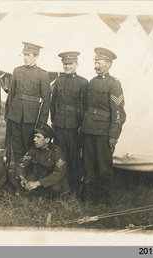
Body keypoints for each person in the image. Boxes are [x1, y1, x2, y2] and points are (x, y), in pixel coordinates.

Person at [81, 47, 126, 201]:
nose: (96, 65)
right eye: (95, 62)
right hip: (89, 130)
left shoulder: (114, 84)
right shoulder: (92, 82)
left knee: (104, 166)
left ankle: (104, 198)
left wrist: (113, 135)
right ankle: (90, 195)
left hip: (104, 132)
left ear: (108, 64)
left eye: (99, 62)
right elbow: (86, 107)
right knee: (89, 163)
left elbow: (118, 112)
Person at [5, 42, 51, 192]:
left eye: (28, 55)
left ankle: (30, 179)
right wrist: (8, 115)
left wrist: (41, 125)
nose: (25, 58)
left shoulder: (43, 75)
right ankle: (18, 178)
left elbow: (46, 101)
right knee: (17, 148)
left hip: (32, 119)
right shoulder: (17, 71)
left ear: (36, 56)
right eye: (24, 55)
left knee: (29, 148)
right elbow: (11, 95)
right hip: (15, 115)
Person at [50, 51, 88, 194]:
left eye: (70, 64)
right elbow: (53, 103)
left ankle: (74, 188)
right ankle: (61, 186)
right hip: (60, 125)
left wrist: (81, 125)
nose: (67, 67)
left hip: (74, 126)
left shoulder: (83, 83)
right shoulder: (58, 81)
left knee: (74, 157)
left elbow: (85, 106)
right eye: (65, 64)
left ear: (76, 64)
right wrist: (54, 120)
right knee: (60, 155)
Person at [15, 122, 69, 197]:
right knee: (16, 176)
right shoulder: (34, 149)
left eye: (38, 137)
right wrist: (22, 178)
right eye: (34, 136)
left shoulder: (56, 152)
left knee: (55, 188)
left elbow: (57, 174)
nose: (34, 139)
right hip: (38, 177)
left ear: (47, 140)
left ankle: (36, 193)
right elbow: (21, 164)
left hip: (50, 181)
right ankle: (35, 193)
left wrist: (37, 183)